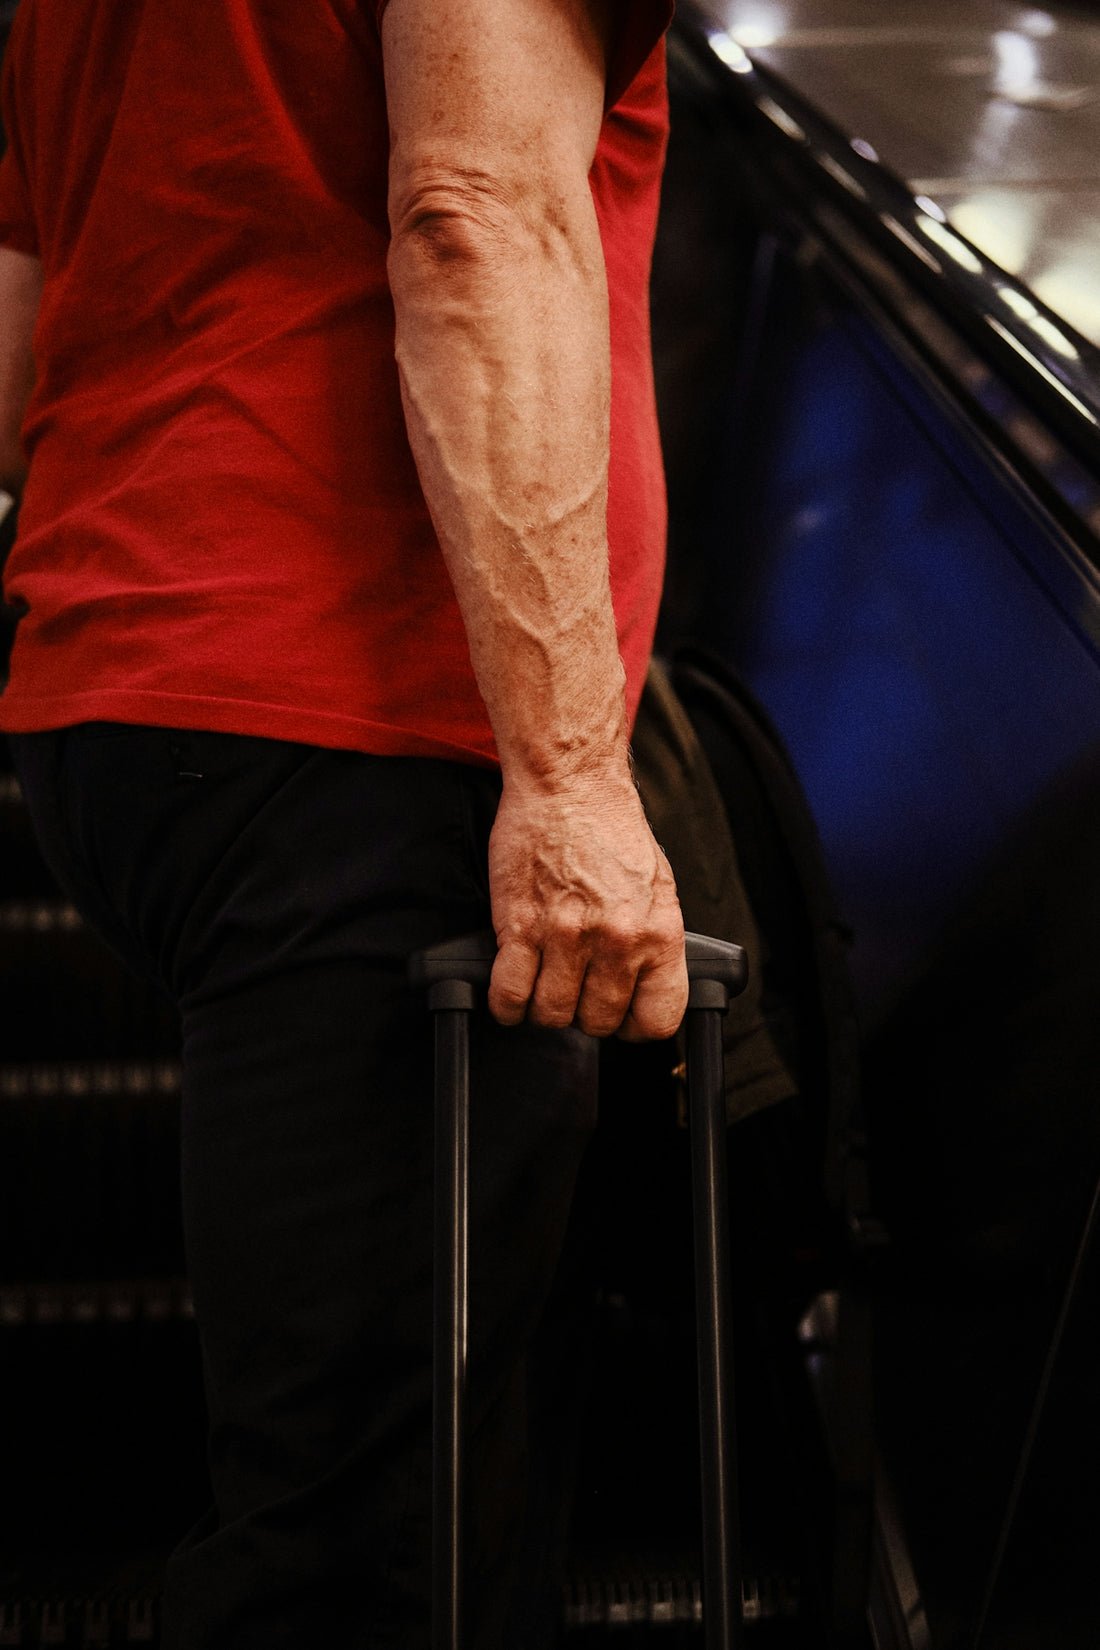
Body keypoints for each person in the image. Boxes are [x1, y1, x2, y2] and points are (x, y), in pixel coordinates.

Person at [0, 0, 685, 1644]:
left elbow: (26, 289)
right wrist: (575, 770)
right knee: (361, 1547)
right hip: (353, 724)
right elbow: (471, 215)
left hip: (124, 684)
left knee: (445, 1474)